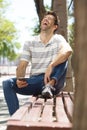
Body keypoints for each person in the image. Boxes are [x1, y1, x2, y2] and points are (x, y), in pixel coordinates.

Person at [3, 11, 72, 115]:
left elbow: (68, 50)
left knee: (63, 56)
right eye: (45, 18)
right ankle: (16, 120)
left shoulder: (58, 39)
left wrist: (51, 65)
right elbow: (22, 65)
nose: (45, 19)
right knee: (7, 84)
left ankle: (49, 85)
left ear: (55, 27)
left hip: (54, 81)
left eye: (49, 19)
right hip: (36, 81)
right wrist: (19, 79)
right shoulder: (30, 42)